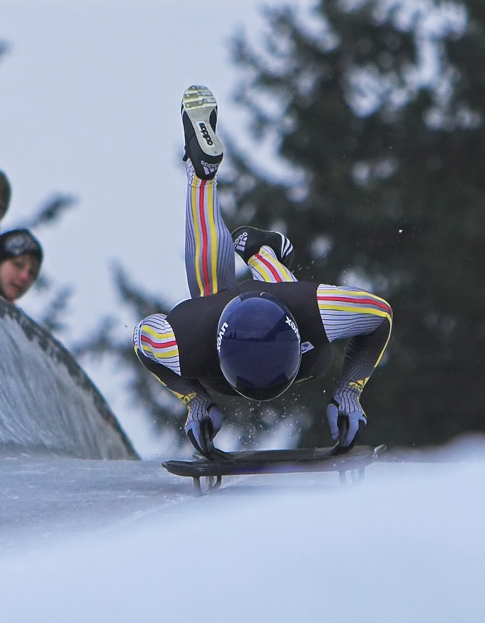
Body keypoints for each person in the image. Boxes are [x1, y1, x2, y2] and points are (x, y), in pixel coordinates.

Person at [132, 85, 393, 458]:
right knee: (213, 295)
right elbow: (143, 340)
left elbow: (380, 316)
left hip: (288, 334)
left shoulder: (309, 309)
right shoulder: (189, 338)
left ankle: (204, 179)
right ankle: (260, 251)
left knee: (213, 290)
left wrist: (350, 391)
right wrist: (195, 398)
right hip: (232, 338)